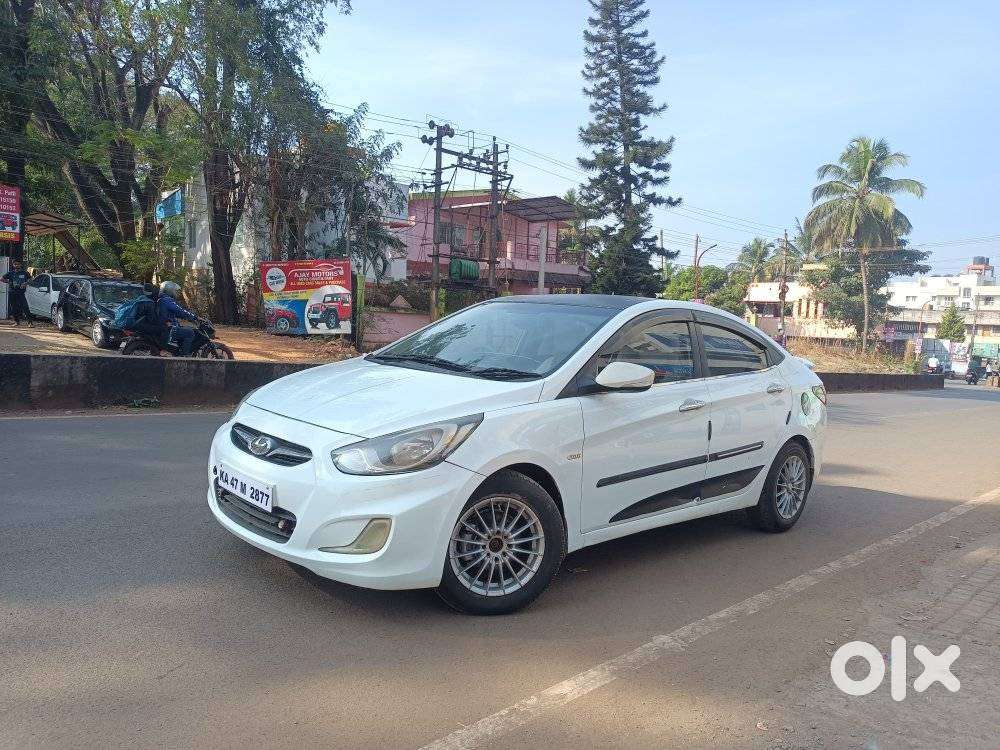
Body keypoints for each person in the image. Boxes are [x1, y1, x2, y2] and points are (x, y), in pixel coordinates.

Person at [155, 280, 200, 355]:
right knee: (190, 333)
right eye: (174, 291)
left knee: (185, 328)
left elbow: (176, 313)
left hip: (165, 326)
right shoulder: (167, 300)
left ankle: (178, 352)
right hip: (168, 328)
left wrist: (186, 317)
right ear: (169, 290)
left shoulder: (161, 299)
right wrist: (194, 317)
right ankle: (184, 356)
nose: (176, 293)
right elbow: (180, 311)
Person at [2, 259, 32, 326]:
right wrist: (9, 282)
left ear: (20, 265)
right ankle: (16, 322)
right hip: (12, 292)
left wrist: (25, 283)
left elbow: (31, 279)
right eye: (15, 264)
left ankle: (30, 322)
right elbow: (2, 279)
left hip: (21, 293)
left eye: (18, 264)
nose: (17, 265)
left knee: (25, 307)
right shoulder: (10, 273)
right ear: (13, 265)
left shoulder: (25, 273)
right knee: (14, 308)